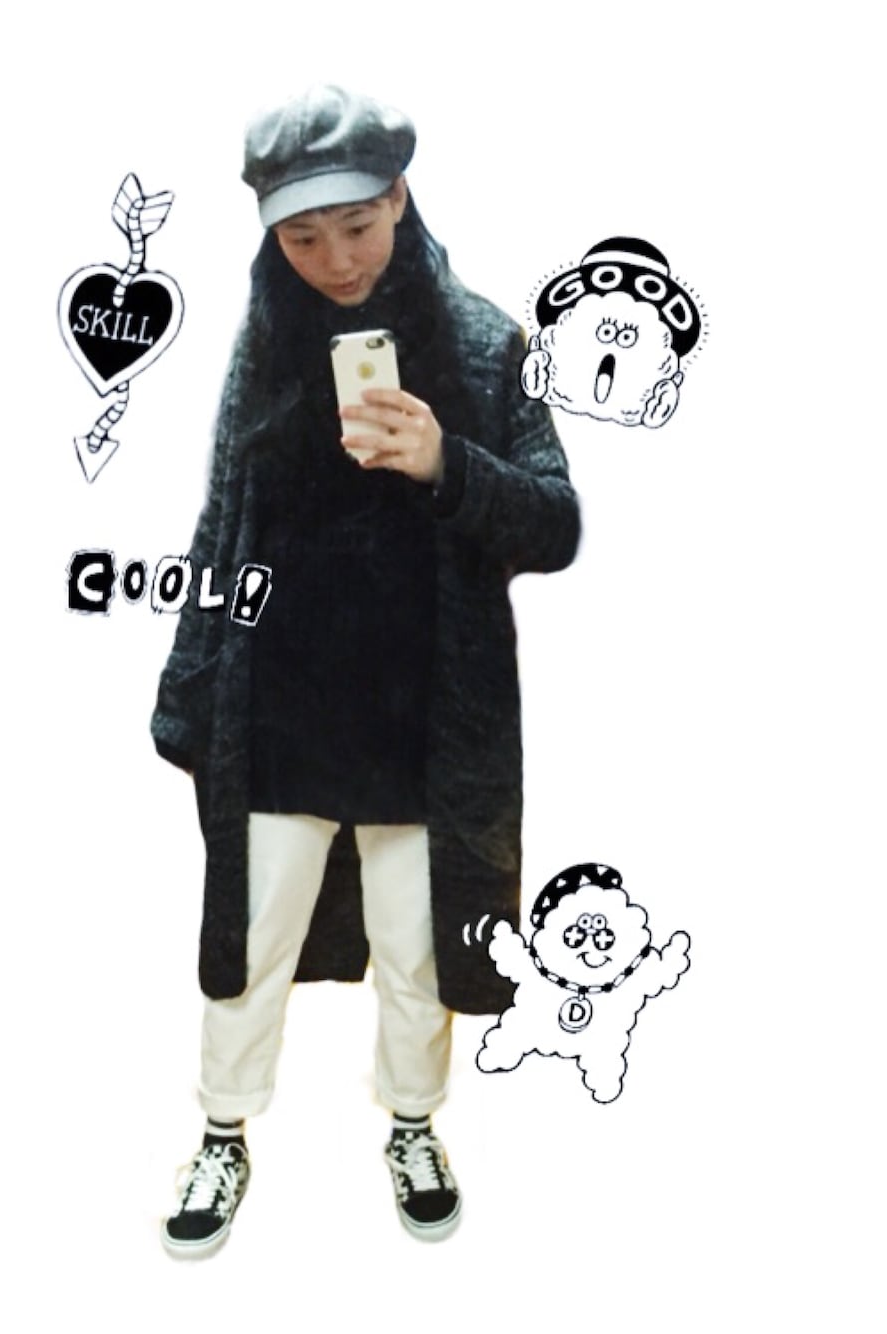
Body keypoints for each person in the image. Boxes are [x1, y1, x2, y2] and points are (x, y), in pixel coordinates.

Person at [151, 85, 581, 1256]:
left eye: (355, 224)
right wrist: (191, 686)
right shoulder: (263, 343)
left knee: (419, 943)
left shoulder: (487, 342)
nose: (334, 259)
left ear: (399, 196)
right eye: (301, 237)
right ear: (270, 236)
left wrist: (448, 461)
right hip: (279, 707)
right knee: (249, 936)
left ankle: (413, 1122)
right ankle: (223, 1130)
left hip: (427, 716)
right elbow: (220, 520)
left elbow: (555, 522)